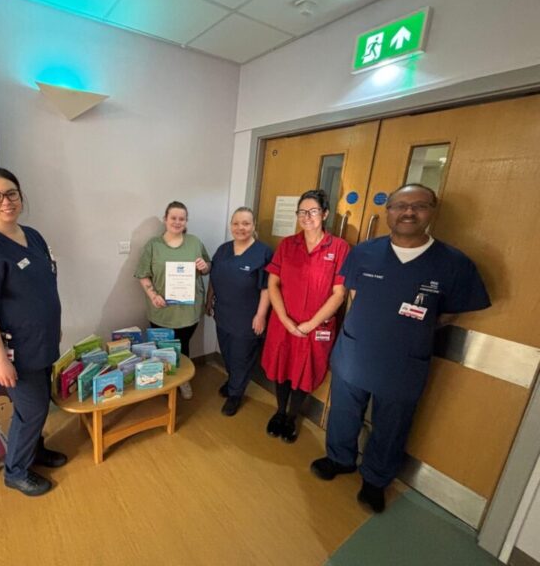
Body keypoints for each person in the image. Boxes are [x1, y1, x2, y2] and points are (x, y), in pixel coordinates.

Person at [310, 183, 491, 513]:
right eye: (400, 205)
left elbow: (450, 312)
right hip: (355, 353)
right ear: (388, 211)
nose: (409, 212)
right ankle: (339, 459)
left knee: (392, 425)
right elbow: (353, 294)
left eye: (419, 206)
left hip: (404, 362)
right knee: (343, 412)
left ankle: (376, 480)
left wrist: (408, 329)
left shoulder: (453, 263)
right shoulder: (364, 252)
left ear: (432, 211)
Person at [0, 167, 67, 498]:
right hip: (17, 349)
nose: (6, 201)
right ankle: (16, 471)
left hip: (44, 341)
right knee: (32, 409)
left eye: (11, 193)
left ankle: (35, 452)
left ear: (20, 196)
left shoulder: (33, 236)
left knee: (39, 404)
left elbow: (44, 286)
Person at [261, 189, 350, 443]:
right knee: (283, 367)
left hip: (316, 326)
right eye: (302, 212)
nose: (307, 217)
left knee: (304, 371)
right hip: (283, 322)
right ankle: (279, 412)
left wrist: (309, 325)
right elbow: (273, 284)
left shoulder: (340, 248)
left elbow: (339, 294)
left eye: (313, 211)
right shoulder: (288, 245)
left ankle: (291, 417)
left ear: (325, 214)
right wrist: (287, 321)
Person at [135, 201, 211, 399]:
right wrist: (153, 295)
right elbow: (143, 274)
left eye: (182, 219)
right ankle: (162, 382)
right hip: (162, 309)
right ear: (165, 219)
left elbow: (207, 267)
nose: (177, 222)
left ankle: (182, 380)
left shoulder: (194, 242)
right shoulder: (153, 245)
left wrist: (204, 266)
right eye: (173, 218)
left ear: (186, 221)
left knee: (183, 347)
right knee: (162, 348)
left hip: (188, 310)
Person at [206, 207, 272, 416]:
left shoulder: (263, 253)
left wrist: (260, 315)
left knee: (242, 357)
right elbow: (214, 278)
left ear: (253, 226)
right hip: (223, 313)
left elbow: (267, 288)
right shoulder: (223, 250)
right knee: (227, 352)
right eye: (236, 223)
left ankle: (236, 394)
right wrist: (209, 301)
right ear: (230, 226)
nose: (240, 228)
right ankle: (233, 380)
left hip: (247, 317)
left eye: (245, 223)